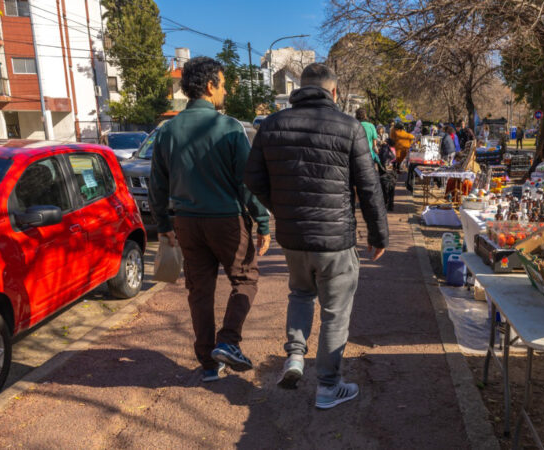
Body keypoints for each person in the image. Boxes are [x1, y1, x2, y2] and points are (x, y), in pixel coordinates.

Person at [245, 63, 389, 409]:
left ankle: (295, 356)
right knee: (335, 312)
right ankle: (328, 386)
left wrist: (280, 208)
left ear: (299, 89)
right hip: (335, 238)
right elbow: (369, 188)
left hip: (293, 237)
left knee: (300, 293)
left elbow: (253, 178)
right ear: (334, 91)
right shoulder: (349, 127)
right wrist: (378, 234)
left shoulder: (272, 125)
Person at [149, 56, 271, 383]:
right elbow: (246, 183)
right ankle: (229, 341)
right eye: (223, 83)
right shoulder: (228, 128)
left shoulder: (166, 131)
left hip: (186, 222)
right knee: (245, 278)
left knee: (199, 290)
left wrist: (163, 227)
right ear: (209, 86)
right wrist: (262, 221)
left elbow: (157, 185)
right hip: (227, 220)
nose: (226, 90)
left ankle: (208, 362)